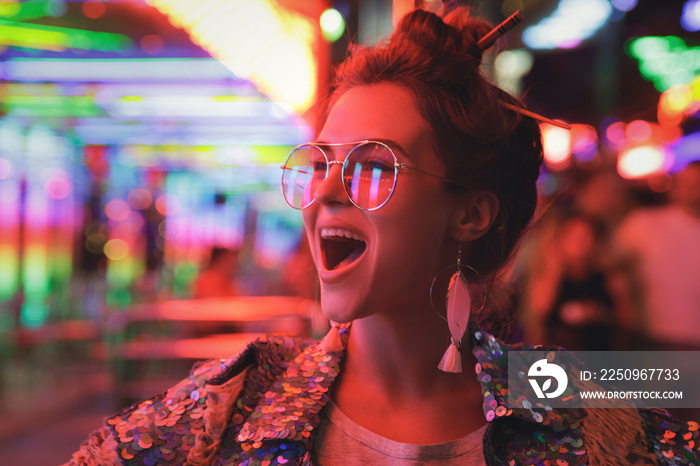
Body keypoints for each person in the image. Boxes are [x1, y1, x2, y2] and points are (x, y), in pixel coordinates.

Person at [66, 6, 698, 466]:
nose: (327, 190)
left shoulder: (567, 391)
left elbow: (676, 386)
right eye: (319, 162)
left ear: (470, 214)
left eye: (373, 166)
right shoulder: (225, 409)